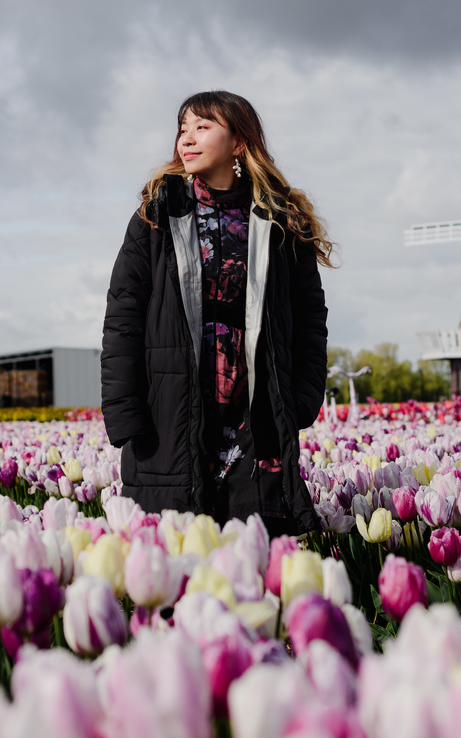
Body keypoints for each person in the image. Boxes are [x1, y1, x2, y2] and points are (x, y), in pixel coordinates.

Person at [101, 90, 332, 535]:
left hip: (257, 411)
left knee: (256, 560)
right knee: (178, 561)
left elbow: (310, 317)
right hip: (171, 412)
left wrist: (304, 397)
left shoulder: (279, 221)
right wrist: (125, 410)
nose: (187, 139)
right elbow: (122, 317)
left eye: (202, 127)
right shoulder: (156, 216)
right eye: (183, 130)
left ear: (239, 143)